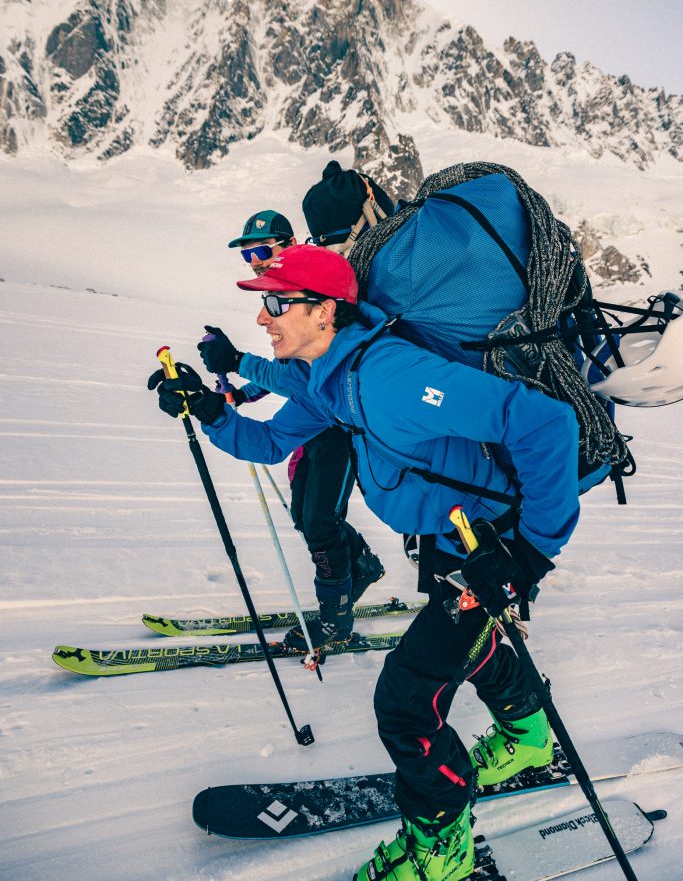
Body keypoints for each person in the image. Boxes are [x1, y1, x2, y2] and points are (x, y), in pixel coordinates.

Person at [149, 244, 579, 881]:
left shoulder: (387, 377)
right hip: (448, 539)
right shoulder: (331, 382)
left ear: (325, 312)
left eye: (275, 303)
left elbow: (546, 424)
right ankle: (530, 737)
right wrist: (210, 409)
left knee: (404, 703)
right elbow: (267, 441)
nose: (264, 318)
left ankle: (443, 854)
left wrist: (529, 553)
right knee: (473, 643)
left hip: (490, 550)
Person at [199, 208, 385, 650]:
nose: (257, 261)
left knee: (320, 520)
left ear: (289, 244)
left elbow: (309, 377)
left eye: (263, 250)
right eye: (248, 256)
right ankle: (358, 566)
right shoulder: (286, 297)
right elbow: (291, 370)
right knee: (306, 515)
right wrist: (242, 393)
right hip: (313, 416)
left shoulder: (314, 286)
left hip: (338, 420)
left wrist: (239, 364)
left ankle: (336, 615)